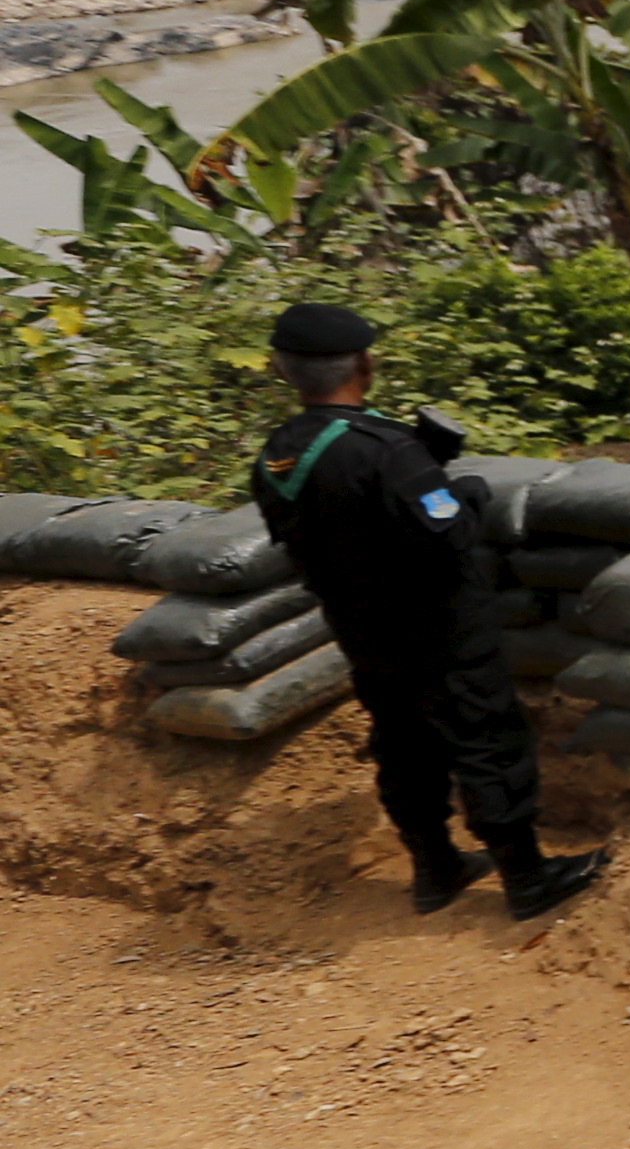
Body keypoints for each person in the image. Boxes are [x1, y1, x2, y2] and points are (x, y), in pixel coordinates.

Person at [251, 303, 603, 924]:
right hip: (437, 622)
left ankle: (434, 867)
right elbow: (450, 531)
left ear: (283, 369)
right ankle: (528, 878)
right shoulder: (386, 449)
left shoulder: (278, 455)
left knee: (403, 742)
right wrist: (465, 488)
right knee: (486, 735)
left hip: (359, 628)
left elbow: (335, 527)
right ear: (364, 363)